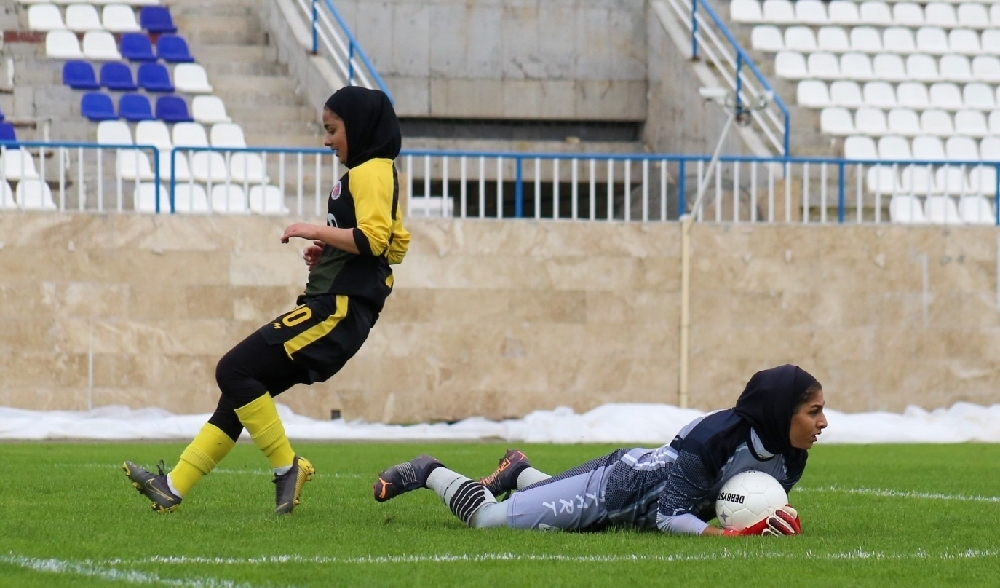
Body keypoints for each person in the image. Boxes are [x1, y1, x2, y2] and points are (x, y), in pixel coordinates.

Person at [125, 86, 409, 515]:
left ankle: (286, 467)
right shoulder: (370, 172)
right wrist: (329, 251)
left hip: (338, 309)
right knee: (239, 392)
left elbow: (374, 241)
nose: (327, 140)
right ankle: (173, 488)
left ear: (360, 126)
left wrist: (316, 231)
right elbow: (390, 245)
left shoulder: (371, 170)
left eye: (332, 130)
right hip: (333, 305)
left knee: (234, 369)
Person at [372, 364, 826, 535]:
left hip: (631, 513)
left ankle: (519, 472)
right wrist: (723, 537)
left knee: (545, 502)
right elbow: (670, 515)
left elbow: (736, 504)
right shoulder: (715, 439)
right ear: (778, 410)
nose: (823, 423)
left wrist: (770, 522)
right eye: (813, 412)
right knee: (490, 520)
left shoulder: (792, 457)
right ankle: (428, 469)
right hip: (612, 488)